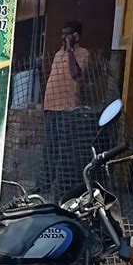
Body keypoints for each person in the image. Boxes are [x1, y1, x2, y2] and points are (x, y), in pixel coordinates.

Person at [40, 21, 90, 196]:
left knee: (64, 149)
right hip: (51, 106)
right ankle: (44, 184)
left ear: (76, 36)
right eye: (62, 34)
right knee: (49, 148)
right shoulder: (58, 53)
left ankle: (62, 186)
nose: (63, 37)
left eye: (67, 34)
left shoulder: (82, 53)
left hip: (67, 109)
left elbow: (75, 74)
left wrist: (70, 51)